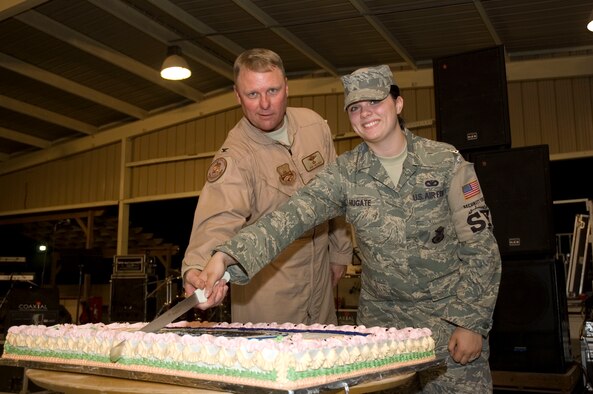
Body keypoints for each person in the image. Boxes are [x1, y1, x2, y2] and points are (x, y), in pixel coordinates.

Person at [194, 65, 502, 393]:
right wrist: (225, 257)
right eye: (355, 108)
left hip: (449, 323)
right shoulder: (345, 174)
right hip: (383, 336)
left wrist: (471, 321)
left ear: (397, 104)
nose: (365, 113)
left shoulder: (445, 162)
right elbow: (288, 218)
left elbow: (481, 247)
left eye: (374, 102)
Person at [182, 48, 352, 325]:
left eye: (272, 90)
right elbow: (217, 219)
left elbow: (336, 192)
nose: (264, 104)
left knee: (324, 355)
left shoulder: (313, 125)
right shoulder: (235, 156)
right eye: (252, 94)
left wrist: (340, 252)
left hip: (320, 274)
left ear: (287, 87)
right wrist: (198, 269)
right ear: (238, 96)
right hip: (268, 285)